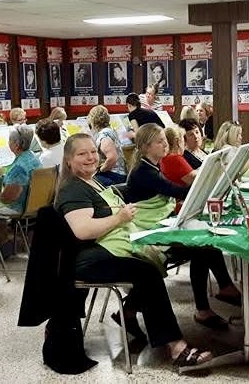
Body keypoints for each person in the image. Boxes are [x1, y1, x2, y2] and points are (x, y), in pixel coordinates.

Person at [55, 133, 214, 366]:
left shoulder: (92, 181)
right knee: (147, 273)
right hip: (87, 260)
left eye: (92, 152)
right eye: (82, 154)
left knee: (151, 264)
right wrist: (119, 218)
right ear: (68, 160)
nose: (90, 157)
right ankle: (175, 347)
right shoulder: (72, 190)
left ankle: (129, 314)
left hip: (105, 249)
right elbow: (83, 230)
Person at [125, 123, 242, 330]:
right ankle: (206, 307)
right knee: (201, 247)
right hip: (146, 232)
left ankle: (223, 289)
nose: (165, 144)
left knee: (206, 242)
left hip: (158, 224)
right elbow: (179, 193)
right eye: (159, 141)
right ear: (146, 147)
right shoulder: (145, 172)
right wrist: (210, 179)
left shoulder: (153, 166)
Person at [0, 125, 42, 216]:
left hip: (18, 207)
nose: (8, 142)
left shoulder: (19, 168)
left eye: (9, 140)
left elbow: (6, 199)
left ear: (16, 145)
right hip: (35, 203)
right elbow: (9, 175)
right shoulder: (32, 157)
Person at [88, 105, 127, 186]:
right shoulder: (109, 131)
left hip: (114, 175)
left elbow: (112, 158)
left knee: (87, 180)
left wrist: (100, 170)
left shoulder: (104, 135)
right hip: (118, 174)